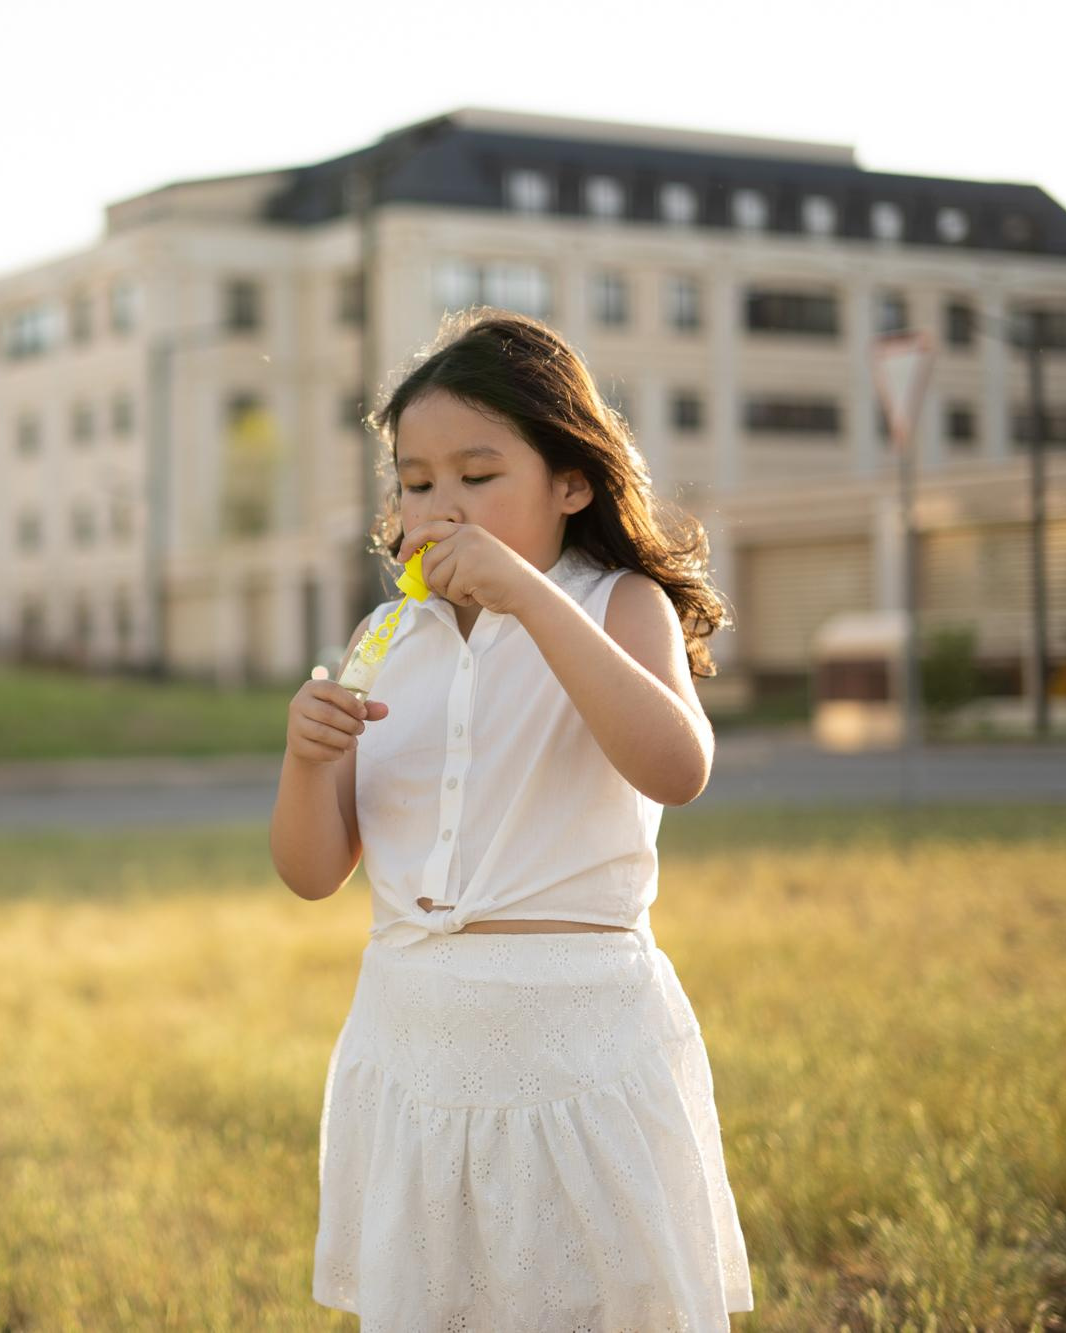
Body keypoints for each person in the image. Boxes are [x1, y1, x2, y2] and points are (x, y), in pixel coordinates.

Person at [270, 308, 754, 1328]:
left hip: (571, 1043)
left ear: (569, 481)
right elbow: (313, 872)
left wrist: (530, 601)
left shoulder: (617, 604)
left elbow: (675, 767)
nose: (441, 506)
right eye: (415, 482)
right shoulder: (382, 635)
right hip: (415, 1039)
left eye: (477, 476)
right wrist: (306, 761)